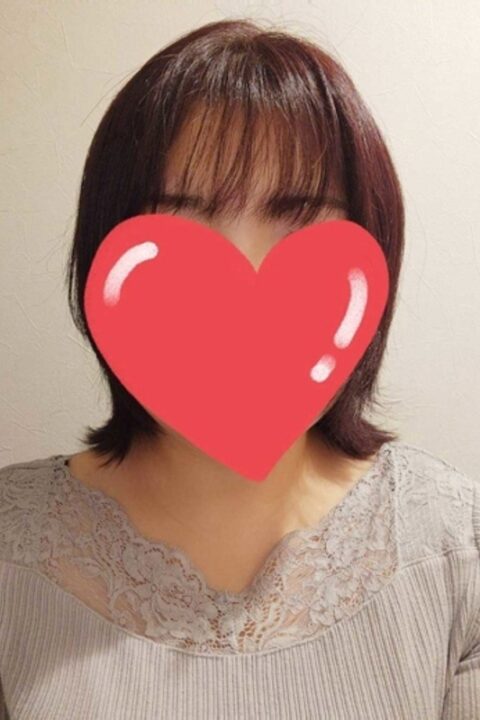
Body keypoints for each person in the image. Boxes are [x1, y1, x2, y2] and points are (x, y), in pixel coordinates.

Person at [0, 18, 478, 720]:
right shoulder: (12, 547)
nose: (245, 271)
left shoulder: (457, 547)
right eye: (180, 221)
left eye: (300, 218)